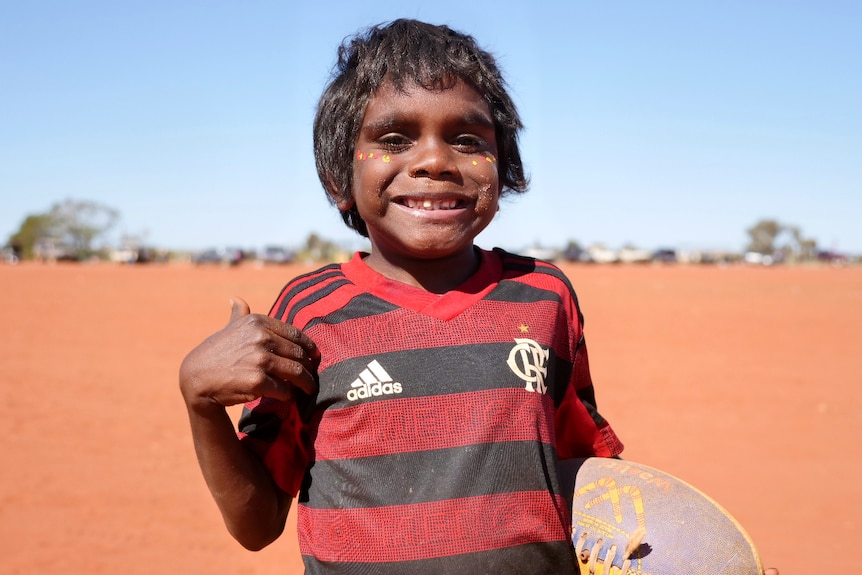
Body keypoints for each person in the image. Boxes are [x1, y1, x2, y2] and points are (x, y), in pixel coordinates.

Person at [179, 19, 777, 575]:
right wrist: (201, 402)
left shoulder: (543, 296)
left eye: (467, 139)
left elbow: (584, 477)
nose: (436, 160)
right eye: (394, 137)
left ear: (503, 164)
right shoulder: (311, 311)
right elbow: (256, 526)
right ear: (341, 178)